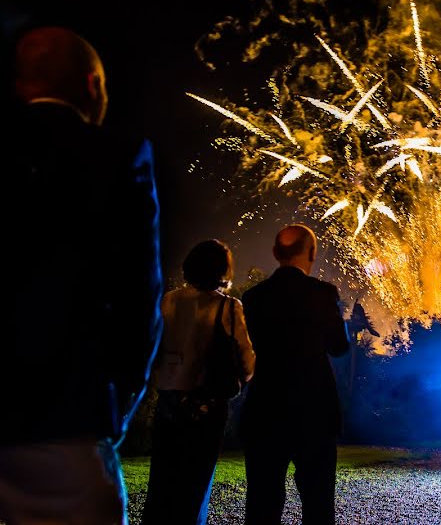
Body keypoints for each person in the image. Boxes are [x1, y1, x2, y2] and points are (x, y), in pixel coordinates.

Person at [0, 27, 162, 524]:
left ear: (19, 84)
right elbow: (140, 298)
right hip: (65, 415)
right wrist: (116, 405)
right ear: (93, 85)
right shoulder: (118, 156)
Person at [240, 225, 349, 525]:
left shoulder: (252, 298)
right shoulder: (323, 294)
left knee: (262, 503)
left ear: (276, 253)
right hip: (315, 412)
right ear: (312, 253)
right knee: (318, 502)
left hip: (265, 410)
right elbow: (340, 347)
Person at [142, 240, 255, 525]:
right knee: (195, 485)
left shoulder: (169, 300)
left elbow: (152, 346)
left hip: (168, 403)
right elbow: (247, 360)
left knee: (162, 484)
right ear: (222, 269)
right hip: (207, 407)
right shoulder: (229, 307)